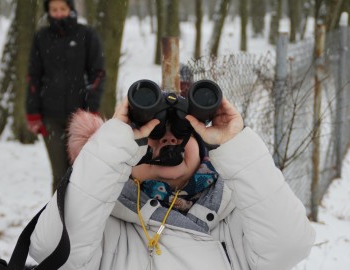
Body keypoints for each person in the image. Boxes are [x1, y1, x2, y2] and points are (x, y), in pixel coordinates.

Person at [28, 91, 315, 270]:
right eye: (153, 133)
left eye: (182, 131)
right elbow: (52, 251)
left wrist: (234, 145)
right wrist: (112, 143)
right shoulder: (104, 220)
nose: (169, 138)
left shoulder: (237, 209)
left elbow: (290, 246)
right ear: (127, 153)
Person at [25, 0, 105, 193]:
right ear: (48, 11)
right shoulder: (41, 37)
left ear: (70, 9)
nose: (59, 13)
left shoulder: (86, 34)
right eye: (54, 10)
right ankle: (57, 220)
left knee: (79, 173)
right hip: (50, 116)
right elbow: (33, 77)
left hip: (79, 117)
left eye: (62, 9)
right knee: (60, 175)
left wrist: (91, 109)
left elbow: (98, 74)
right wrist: (33, 114)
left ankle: (81, 218)